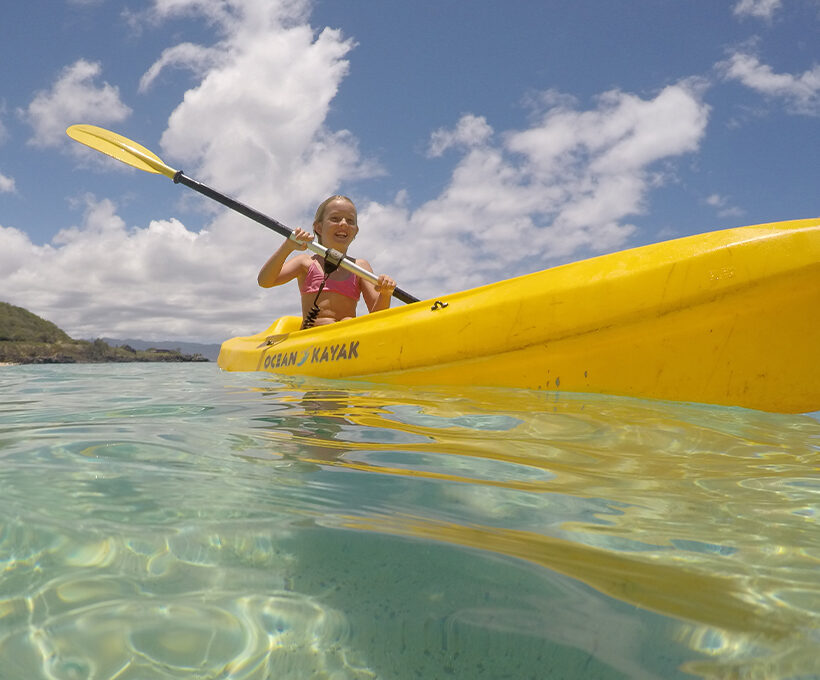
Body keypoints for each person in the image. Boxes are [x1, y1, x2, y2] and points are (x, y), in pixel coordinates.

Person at [257, 195, 396, 328]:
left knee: (348, 321)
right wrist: (287, 247)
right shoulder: (305, 262)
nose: (343, 223)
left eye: (350, 221)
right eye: (335, 218)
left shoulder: (360, 267)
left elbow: (377, 315)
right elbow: (265, 281)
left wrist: (385, 293)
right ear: (318, 228)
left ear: (356, 231)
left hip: (345, 342)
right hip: (313, 340)